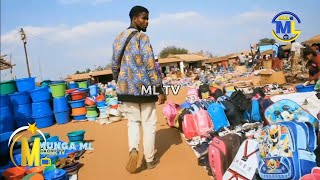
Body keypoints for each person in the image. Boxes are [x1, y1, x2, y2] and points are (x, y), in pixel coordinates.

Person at [111, 6, 166, 173]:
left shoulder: (118, 38)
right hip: (145, 88)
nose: (147, 21)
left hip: (126, 89)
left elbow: (114, 65)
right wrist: (159, 89)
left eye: (148, 18)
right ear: (134, 18)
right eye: (144, 18)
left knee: (133, 122)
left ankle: (133, 150)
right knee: (149, 123)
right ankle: (149, 160)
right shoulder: (143, 37)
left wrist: (119, 82)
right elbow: (151, 66)